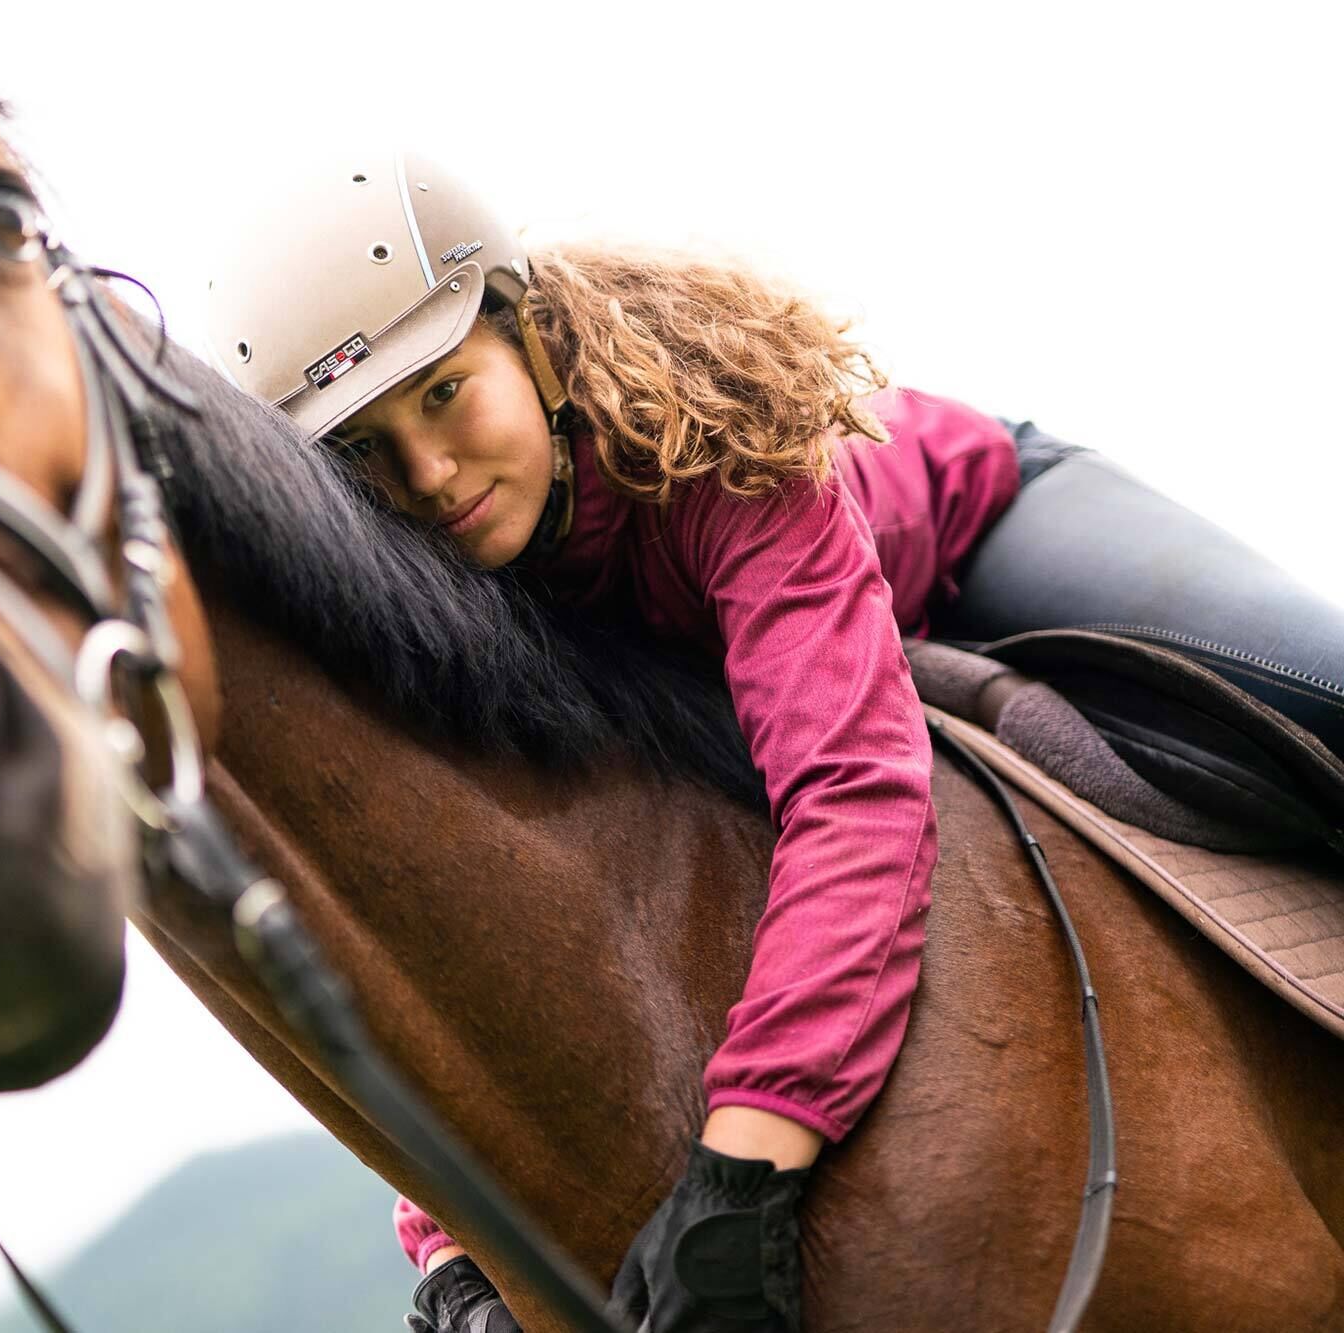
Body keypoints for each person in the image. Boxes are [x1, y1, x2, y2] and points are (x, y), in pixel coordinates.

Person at [200, 154, 1344, 1333]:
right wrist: (447, 1247)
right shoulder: (437, 598)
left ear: (533, 343)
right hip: (780, 661)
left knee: (1330, 687)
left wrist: (743, 1169)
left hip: (979, 524)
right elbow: (450, 947)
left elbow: (854, 796)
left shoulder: (712, 449)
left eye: (442, 392)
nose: (429, 475)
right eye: (365, 452)